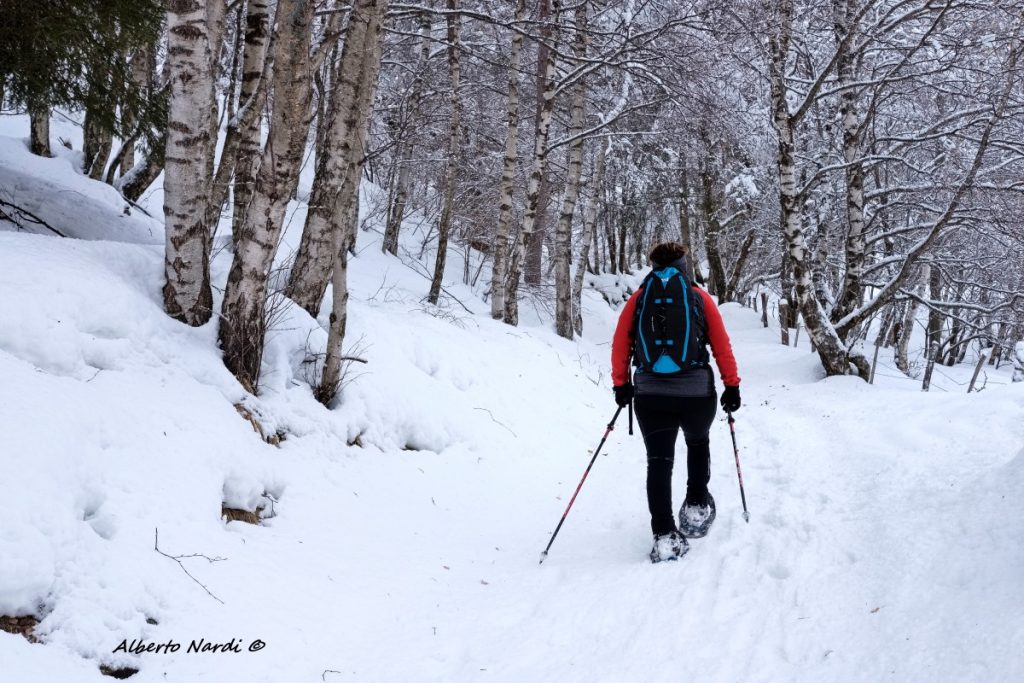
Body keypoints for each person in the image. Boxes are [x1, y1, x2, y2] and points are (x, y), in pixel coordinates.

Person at [610, 242, 741, 563]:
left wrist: (621, 385)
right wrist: (731, 385)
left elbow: (620, 342)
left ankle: (665, 534)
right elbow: (722, 345)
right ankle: (696, 501)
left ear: (652, 265)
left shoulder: (639, 298)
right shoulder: (698, 297)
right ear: (685, 264)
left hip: (650, 394)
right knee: (698, 443)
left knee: (659, 461)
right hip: (697, 393)